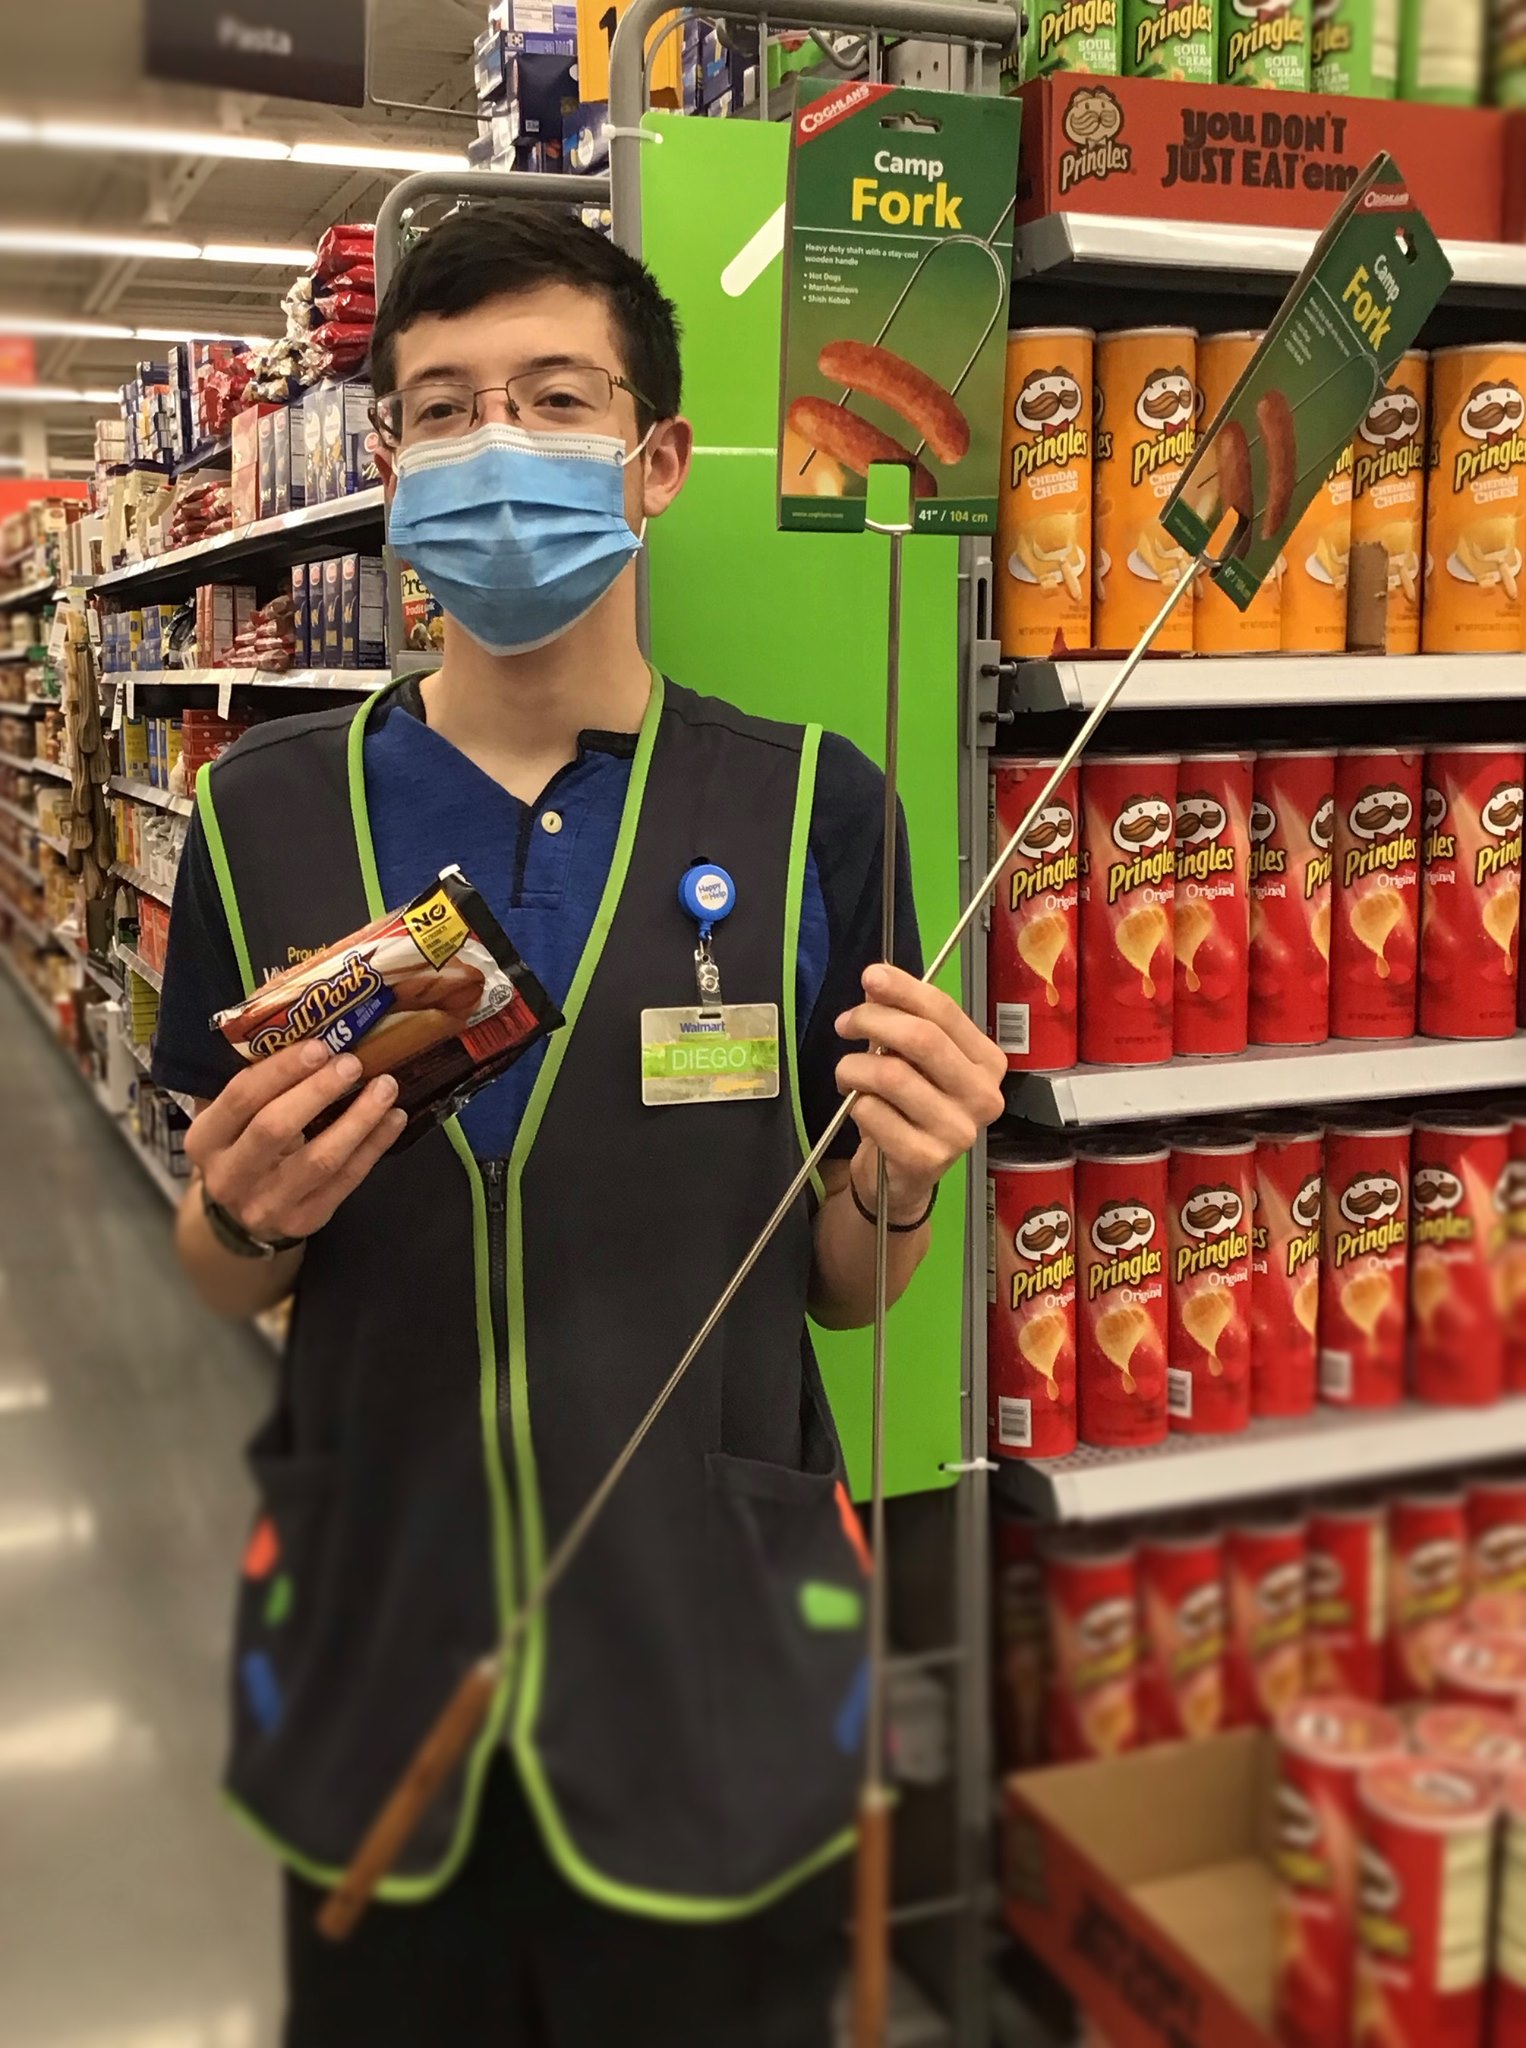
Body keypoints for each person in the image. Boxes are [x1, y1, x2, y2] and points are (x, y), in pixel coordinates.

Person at [152, 202, 1005, 2047]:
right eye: (443, 409)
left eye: (554, 398)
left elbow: (844, 1290)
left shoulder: (815, 810)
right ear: (391, 474)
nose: (497, 445)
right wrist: (246, 1218)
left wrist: (902, 1179)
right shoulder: (260, 818)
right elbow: (222, 1279)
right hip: (386, 1658)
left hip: (705, 1667)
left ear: (657, 460)